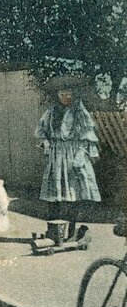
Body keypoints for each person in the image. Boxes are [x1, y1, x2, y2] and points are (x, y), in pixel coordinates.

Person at [34, 85, 101, 238]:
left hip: (74, 155)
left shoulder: (81, 113)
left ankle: (71, 231)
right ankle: (53, 232)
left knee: (73, 194)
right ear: (57, 95)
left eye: (68, 95)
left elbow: (88, 137)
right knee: (54, 196)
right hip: (57, 156)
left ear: (74, 95)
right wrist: (46, 142)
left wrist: (80, 156)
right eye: (62, 94)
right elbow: (41, 132)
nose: (65, 98)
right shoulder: (51, 113)